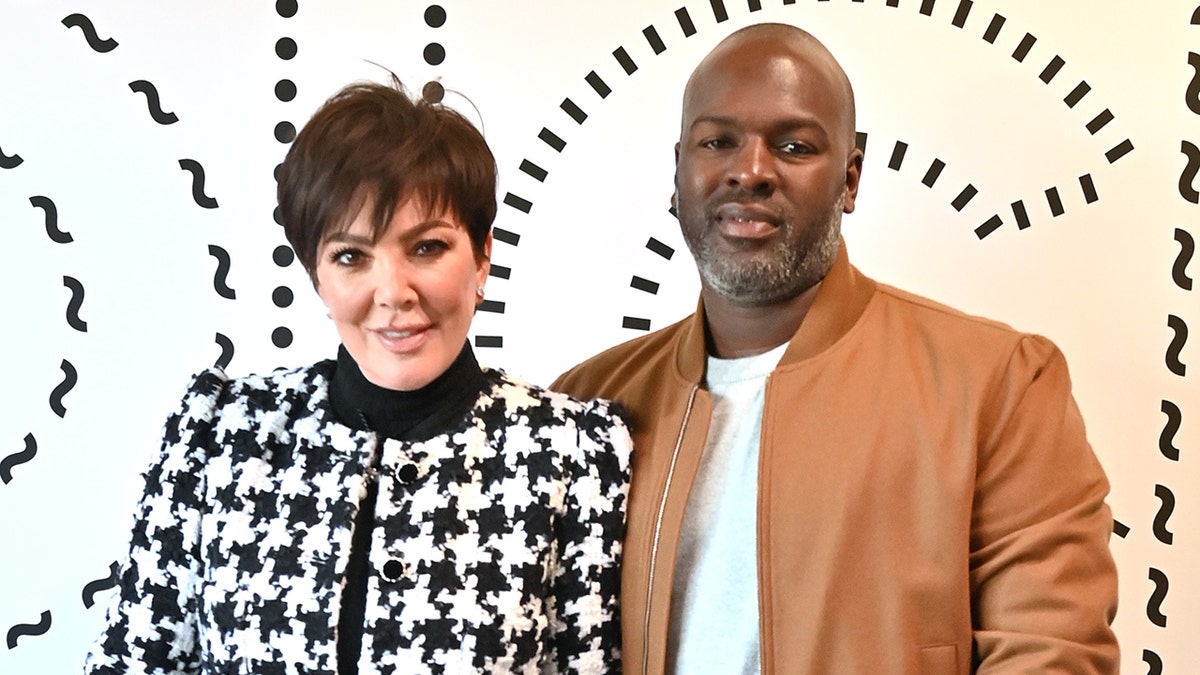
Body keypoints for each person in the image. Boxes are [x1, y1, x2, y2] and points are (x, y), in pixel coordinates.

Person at [553, 22, 1118, 675]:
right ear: (678, 171)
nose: (751, 171)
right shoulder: (587, 406)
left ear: (850, 181)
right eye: (718, 142)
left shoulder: (999, 384)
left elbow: (1054, 653)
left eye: (793, 146)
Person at [84, 78, 632, 674]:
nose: (393, 294)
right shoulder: (218, 433)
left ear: (482, 259)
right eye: (351, 256)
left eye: (426, 248)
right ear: (317, 276)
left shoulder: (572, 452)